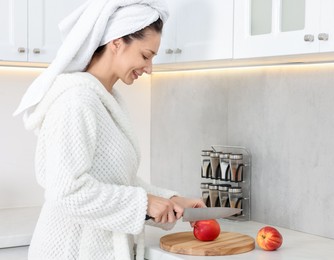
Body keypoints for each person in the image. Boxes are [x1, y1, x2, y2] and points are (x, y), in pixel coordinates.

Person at [13, 0, 205, 259]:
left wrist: (172, 200)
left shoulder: (107, 100)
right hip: (70, 251)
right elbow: (67, 191)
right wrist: (145, 203)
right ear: (116, 42)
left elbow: (116, 180)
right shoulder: (77, 101)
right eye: (145, 55)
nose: (149, 68)